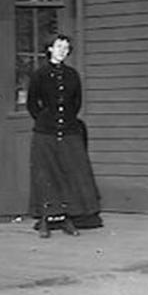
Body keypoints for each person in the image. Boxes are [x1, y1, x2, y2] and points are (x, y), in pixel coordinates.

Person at [26, 33, 103, 239]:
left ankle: (68, 217)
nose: (63, 51)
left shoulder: (72, 75)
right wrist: (46, 120)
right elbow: (32, 104)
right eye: (59, 46)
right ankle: (45, 218)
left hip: (69, 131)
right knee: (46, 175)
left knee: (70, 173)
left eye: (66, 48)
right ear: (49, 48)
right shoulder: (39, 75)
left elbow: (76, 103)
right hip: (46, 133)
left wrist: (66, 120)